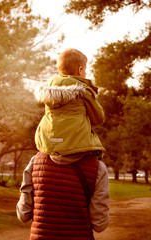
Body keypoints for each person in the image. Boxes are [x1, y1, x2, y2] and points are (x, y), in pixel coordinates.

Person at [16, 48, 109, 239]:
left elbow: (23, 214)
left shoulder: (35, 163)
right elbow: (99, 224)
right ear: (81, 70)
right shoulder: (97, 169)